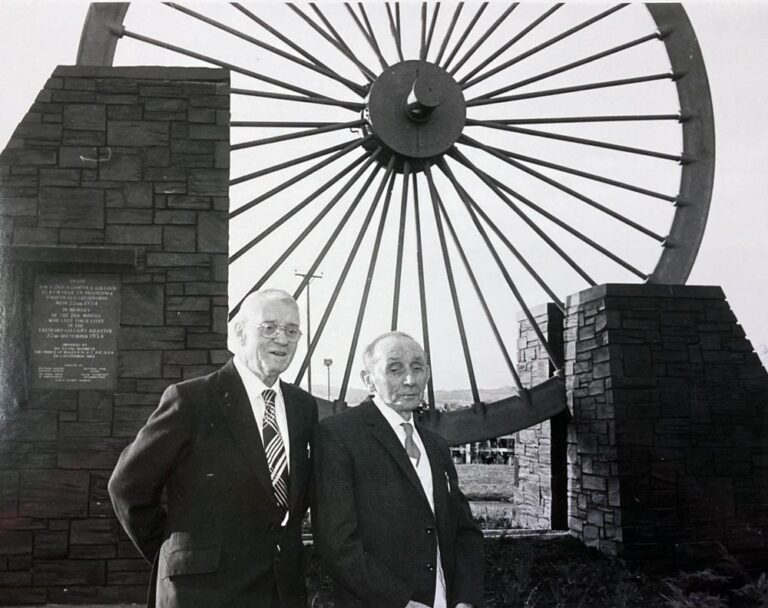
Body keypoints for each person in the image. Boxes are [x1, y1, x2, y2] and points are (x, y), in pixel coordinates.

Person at [108, 289, 318, 608]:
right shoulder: (191, 400)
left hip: (282, 591)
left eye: (292, 330)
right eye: (270, 327)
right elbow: (128, 486)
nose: (282, 339)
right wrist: (176, 555)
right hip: (202, 593)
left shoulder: (302, 407)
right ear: (239, 333)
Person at [312, 331, 484, 608]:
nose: (410, 380)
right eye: (395, 369)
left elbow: (464, 530)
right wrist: (400, 602)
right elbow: (337, 543)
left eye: (418, 368)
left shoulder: (435, 445)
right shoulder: (339, 436)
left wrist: (466, 599)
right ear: (368, 379)